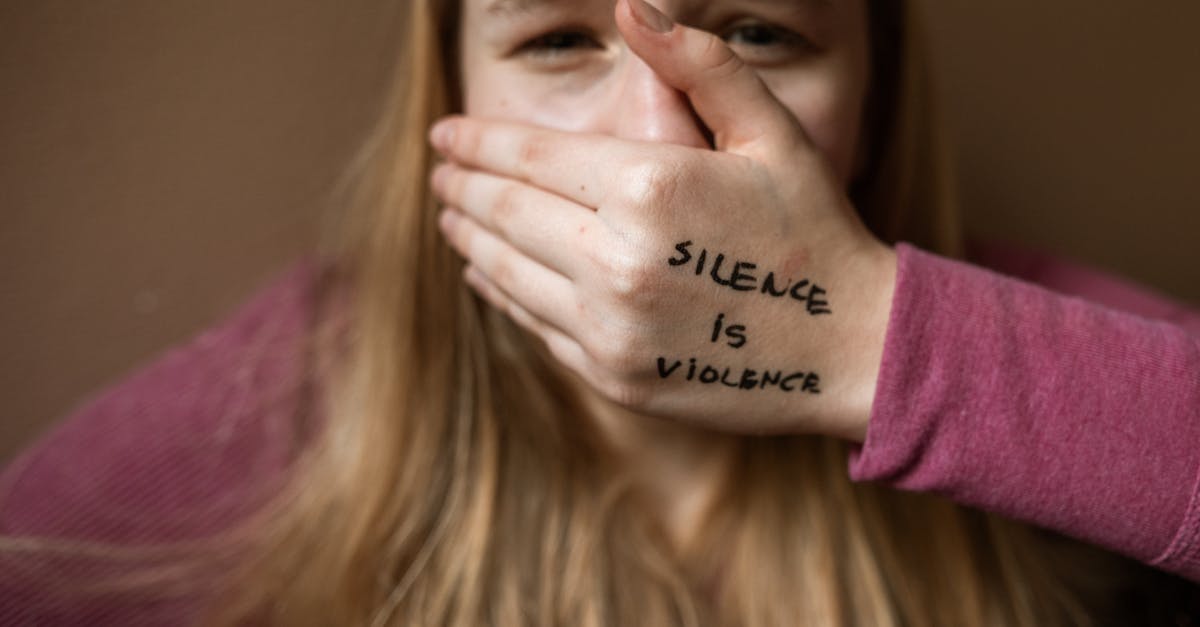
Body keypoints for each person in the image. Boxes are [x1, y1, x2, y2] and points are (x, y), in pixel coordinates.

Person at [2, 0, 1198, 624]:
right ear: (450, 90)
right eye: (558, 39)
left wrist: (875, 341)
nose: (656, 145)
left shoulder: (1049, 345)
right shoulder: (279, 417)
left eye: (759, 33)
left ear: (878, 87)